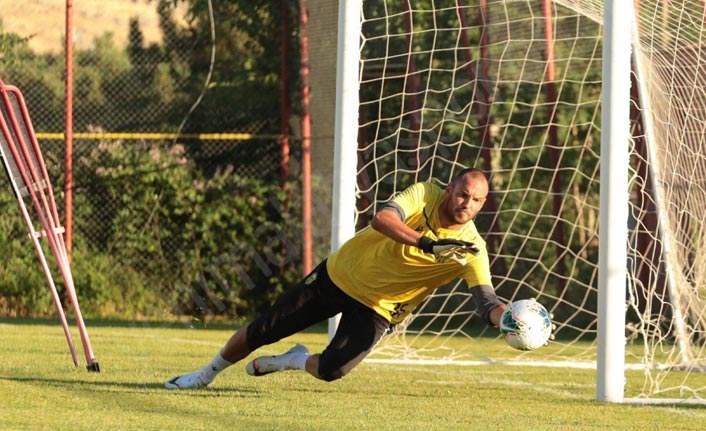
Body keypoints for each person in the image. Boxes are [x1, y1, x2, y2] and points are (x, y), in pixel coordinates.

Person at [165, 167, 507, 389]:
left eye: (475, 200)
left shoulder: (471, 249)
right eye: (462, 193)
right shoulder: (424, 194)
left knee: (332, 371)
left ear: (482, 203)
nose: (466, 202)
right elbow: (383, 219)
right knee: (266, 328)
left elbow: (486, 302)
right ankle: (204, 376)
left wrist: (510, 320)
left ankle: (294, 359)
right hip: (340, 275)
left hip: (380, 309)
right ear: (449, 189)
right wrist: (427, 244)